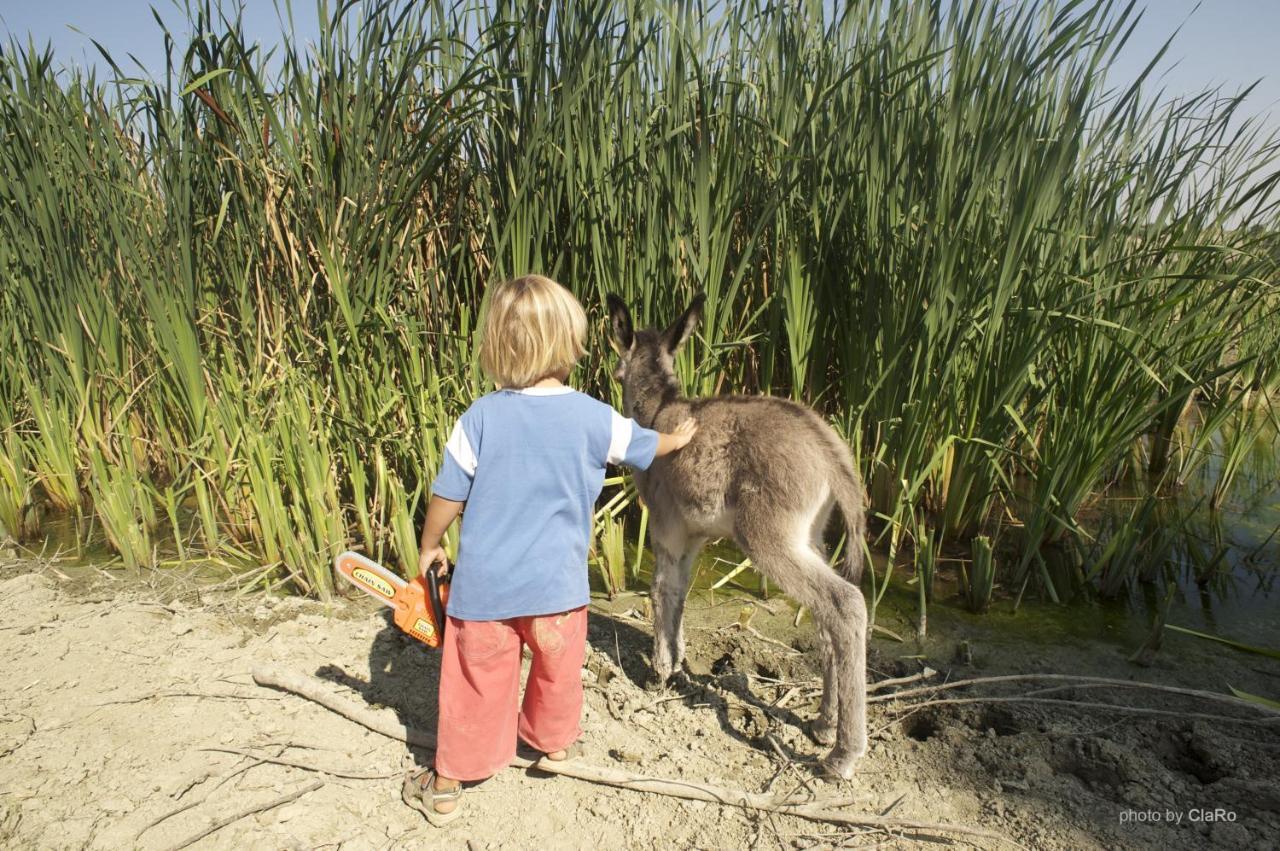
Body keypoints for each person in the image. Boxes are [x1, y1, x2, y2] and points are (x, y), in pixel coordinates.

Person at [403, 274, 697, 825]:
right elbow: (645, 445)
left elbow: (448, 494)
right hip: (559, 591)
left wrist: (430, 543)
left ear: (499, 348)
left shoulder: (481, 417)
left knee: (475, 680)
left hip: (485, 593)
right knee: (557, 672)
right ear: (571, 345)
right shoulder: (591, 416)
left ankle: (449, 781)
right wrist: (677, 440)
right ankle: (551, 744)